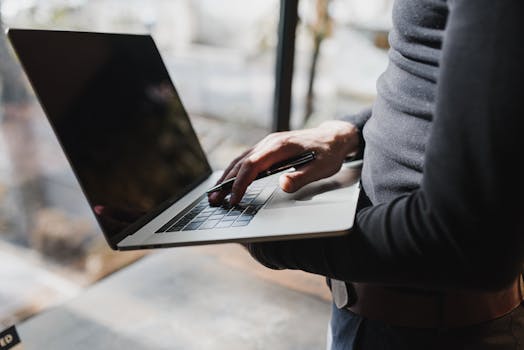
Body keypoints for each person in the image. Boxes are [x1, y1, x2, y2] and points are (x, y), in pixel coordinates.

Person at [208, 0, 524, 348]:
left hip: (429, 333)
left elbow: (470, 240)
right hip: (381, 316)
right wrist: (349, 131)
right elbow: (448, 80)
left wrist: (272, 240)